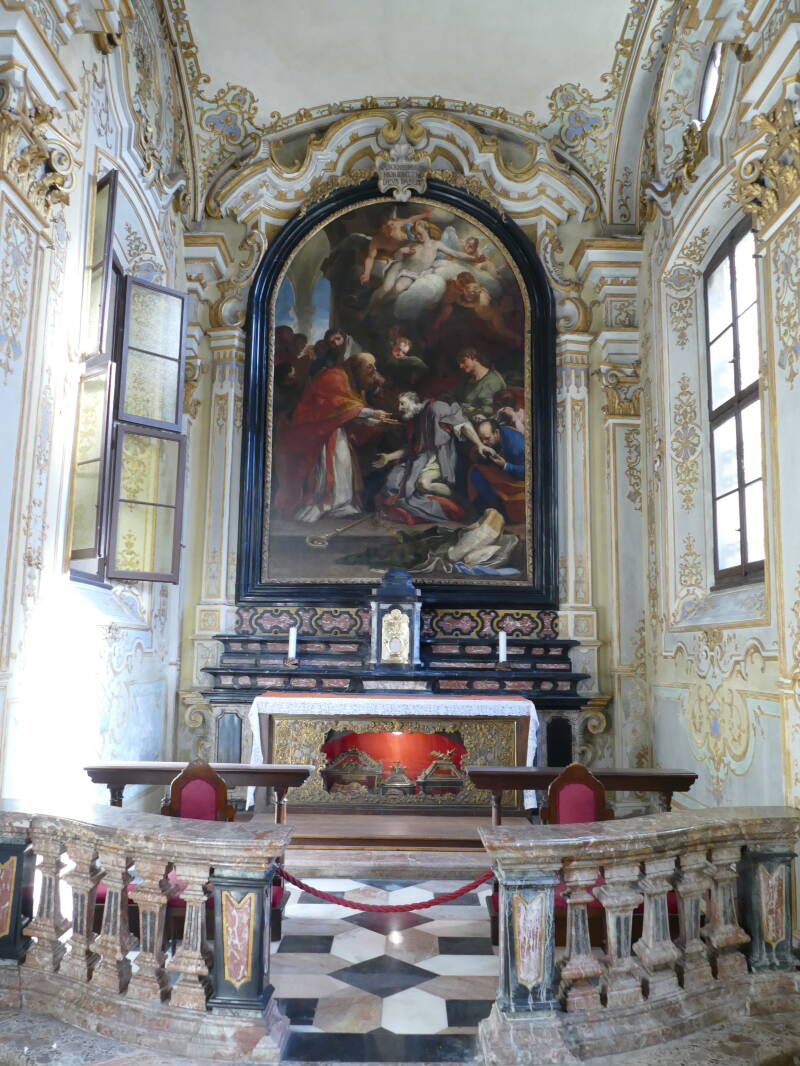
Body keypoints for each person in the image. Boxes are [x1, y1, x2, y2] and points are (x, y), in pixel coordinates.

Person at [277, 352, 396, 521]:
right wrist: (370, 413)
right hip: (320, 434)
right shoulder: (333, 376)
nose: (374, 371)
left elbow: (351, 415)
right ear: (357, 367)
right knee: (333, 465)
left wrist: (374, 422)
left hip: (336, 431)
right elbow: (335, 404)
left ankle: (343, 504)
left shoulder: (353, 384)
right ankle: (327, 503)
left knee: (343, 465)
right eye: (369, 367)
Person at [372, 390, 497, 524]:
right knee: (392, 481)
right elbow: (412, 449)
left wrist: (479, 444)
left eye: (402, 404)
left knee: (423, 484)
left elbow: (462, 424)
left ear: (414, 402)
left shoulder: (436, 407)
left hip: (440, 459)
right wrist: (388, 457)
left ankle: (460, 501)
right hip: (421, 461)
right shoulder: (416, 420)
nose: (399, 408)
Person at [365, 220, 483, 312]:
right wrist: (401, 251)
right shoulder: (413, 244)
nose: (418, 237)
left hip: (411, 274)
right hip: (399, 267)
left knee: (398, 288)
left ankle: (378, 304)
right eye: (416, 235)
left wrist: (474, 259)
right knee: (386, 288)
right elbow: (397, 258)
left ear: (427, 230)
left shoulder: (436, 245)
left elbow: (455, 254)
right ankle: (366, 310)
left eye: (420, 234)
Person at [468, 418, 526, 524]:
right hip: (500, 473)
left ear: (496, 432)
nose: (483, 443)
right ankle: (492, 509)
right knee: (476, 472)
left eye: (486, 439)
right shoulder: (492, 439)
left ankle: (500, 514)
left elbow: (528, 471)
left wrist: (506, 466)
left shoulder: (516, 445)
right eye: (481, 439)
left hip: (518, 480)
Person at [454, 347, 506, 418]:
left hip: (481, 419)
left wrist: (463, 410)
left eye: (463, 361)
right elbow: (457, 396)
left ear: (474, 358)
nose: (460, 366)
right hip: (462, 413)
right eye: (459, 363)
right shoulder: (466, 378)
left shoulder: (492, 381)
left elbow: (488, 410)